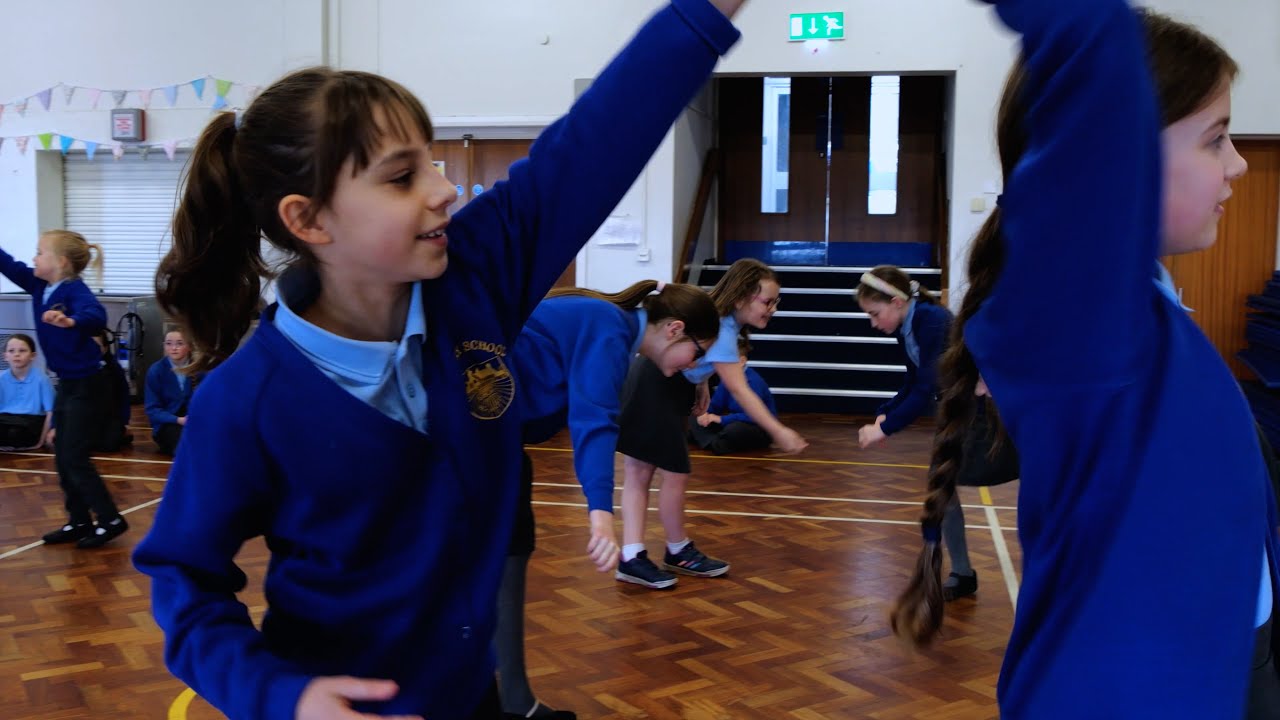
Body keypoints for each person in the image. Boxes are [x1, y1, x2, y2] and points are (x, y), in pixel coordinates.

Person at [130, 2, 746, 718]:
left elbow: (598, 138)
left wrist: (702, 14)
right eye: (402, 176)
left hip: (469, 693)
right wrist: (282, 697)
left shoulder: (473, 278)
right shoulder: (247, 402)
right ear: (310, 219)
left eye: (431, 159)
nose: (445, 188)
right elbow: (184, 579)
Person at [891, 3, 1277, 717]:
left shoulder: (1151, 309)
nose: (1239, 163)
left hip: (1225, 672)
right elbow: (1091, 33)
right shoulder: (1087, 323)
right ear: (1113, 159)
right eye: (1215, 139)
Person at [499, 281, 718, 719]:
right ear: (674, 329)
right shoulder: (609, 327)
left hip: (496, 440)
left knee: (508, 546)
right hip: (475, 437)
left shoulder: (611, 326)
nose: (693, 365)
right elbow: (594, 420)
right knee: (502, 549)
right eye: (697, 353)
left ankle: (511, 698)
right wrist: (600, 513)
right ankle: (507, 700)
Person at [614, 258, 807, 589]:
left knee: (646, 472)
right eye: (767, 301)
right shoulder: (725, 332)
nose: (772, 308)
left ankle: (643, 554)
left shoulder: (719, 321)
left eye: (776, 301)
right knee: (663, 472)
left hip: (661, 381)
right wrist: (778, 430)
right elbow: (740, 390)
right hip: (657, 384)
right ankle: (665, 552)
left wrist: (701, 384)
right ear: (741, 298)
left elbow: (700, 359)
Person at [855, 265, 976, 599]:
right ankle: (962, 573)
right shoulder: (908, 324)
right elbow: (912, 379)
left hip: (976, 411)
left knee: (943, 485)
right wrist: (887, 411)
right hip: (955, 409)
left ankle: (960, 572)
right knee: (942, 487)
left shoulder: (930, 320)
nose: (873, 323)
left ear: (897, 302)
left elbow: (926, 388)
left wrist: (886, 429)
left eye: (875, 314)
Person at [0, 230, 127, 548]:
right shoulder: (38, 284)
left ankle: (110, 519)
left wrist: (71, 322)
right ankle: (79, 520)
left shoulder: (75, 291)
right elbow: (9, 265)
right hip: (69, 383)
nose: (33, 258)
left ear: (61, 262)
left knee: (74, 456)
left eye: (39, 252)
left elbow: (95, 315)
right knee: (63, 455)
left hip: (90, 384)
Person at [689, 336, 774, 455]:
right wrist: (705, 413)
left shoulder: (754, 382)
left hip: (759, 427)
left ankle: (710, 441)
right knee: (695, 415)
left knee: (734, 430)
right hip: (734, 421)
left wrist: (721, 419)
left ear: (742, 361)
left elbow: (754, 416)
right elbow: (716, 404)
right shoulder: (727, 379)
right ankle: (716, 443)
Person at [144, 328, 196, 455]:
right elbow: (152, 409)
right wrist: (179, 420)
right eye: (169, 343)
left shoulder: (199, 368)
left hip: (194, 419)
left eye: (179, 343)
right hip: (167, 423)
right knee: (185, 446)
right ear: (164, 346)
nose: (174, 348)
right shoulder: (156, 371)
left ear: (189, 346)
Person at [0, 334, 54, 450]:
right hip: (5, 419)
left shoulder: (42, 379)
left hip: (30, 422)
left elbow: (51, 412)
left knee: (15, 433)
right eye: (11, 351)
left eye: (22, 350)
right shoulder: (1, 378)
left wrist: (41, 441)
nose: (16, 354)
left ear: (32, 356)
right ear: (5, 356)